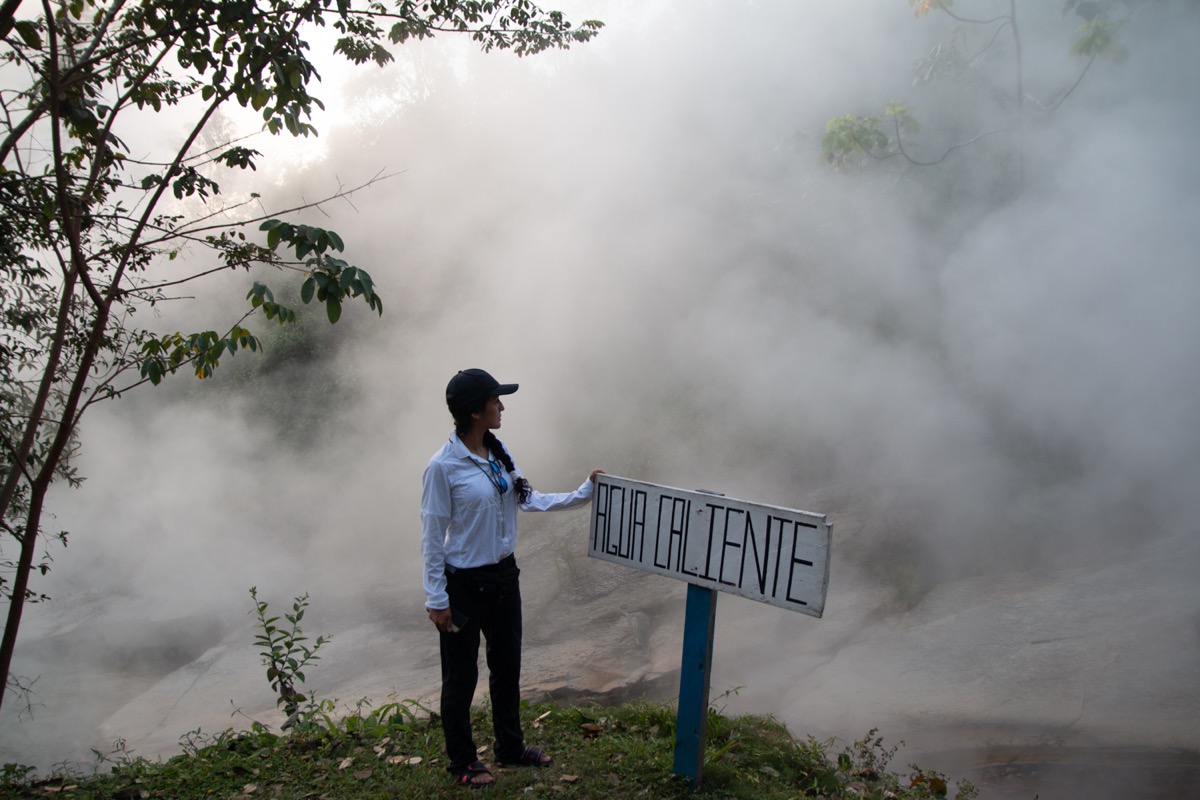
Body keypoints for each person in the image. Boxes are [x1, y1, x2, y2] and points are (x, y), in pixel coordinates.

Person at [421, 368, 601, 789]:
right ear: (474, 411)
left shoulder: (497, 454)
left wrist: (583, 493)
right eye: (495, 400)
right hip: (462, 584)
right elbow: (432, 534)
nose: (502, 406)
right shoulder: (442, 467)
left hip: (504, 577)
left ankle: (510, 747)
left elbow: (528, 499)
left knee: (507, 667)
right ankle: (463, 761)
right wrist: (436, 597)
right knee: (461, 678)